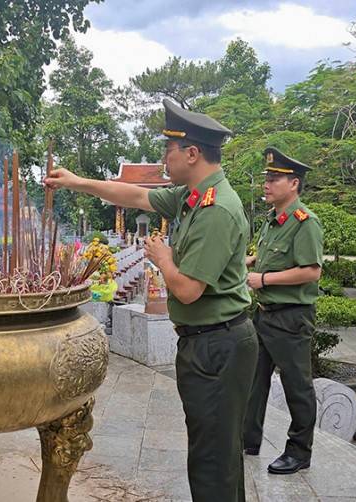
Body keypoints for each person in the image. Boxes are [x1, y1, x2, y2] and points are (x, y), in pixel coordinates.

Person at [44, 99, 257, 502]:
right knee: (212, 451)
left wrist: (163, 258)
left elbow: (188, 289)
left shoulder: (217, 210)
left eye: (169, 150)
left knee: (214, 457)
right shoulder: (193, 196)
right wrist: (77, 182)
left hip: (219, 345)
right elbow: (135, 196)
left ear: (192, 153)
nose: (164, 158)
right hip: (208, 342)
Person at [242, 147, 324, 475]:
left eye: (274, 179)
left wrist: (262, 278)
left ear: (294, 184)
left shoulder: (305, 222)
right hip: (264, 313)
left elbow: (310, 271)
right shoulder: (273, 221)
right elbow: (275, 258)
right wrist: (251, 261)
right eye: (267, 178)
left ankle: (299, 452)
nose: (267, 184)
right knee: (253, 379)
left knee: (297, 386)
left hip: (291, 317)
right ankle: (247, 439)